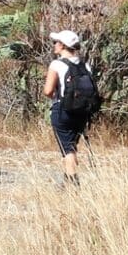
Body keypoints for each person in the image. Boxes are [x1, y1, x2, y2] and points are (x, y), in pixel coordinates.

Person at [42, 30, 91, 185]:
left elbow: (48, 91)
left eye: (56, 42)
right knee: (71, 146)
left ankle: (73, 184)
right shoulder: (85, 66)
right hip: (82, 113)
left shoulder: (56, 64)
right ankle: (67, 181)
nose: (54, 45)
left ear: (62, 45)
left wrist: (57, 97)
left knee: (67, 150)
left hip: (62, 111)